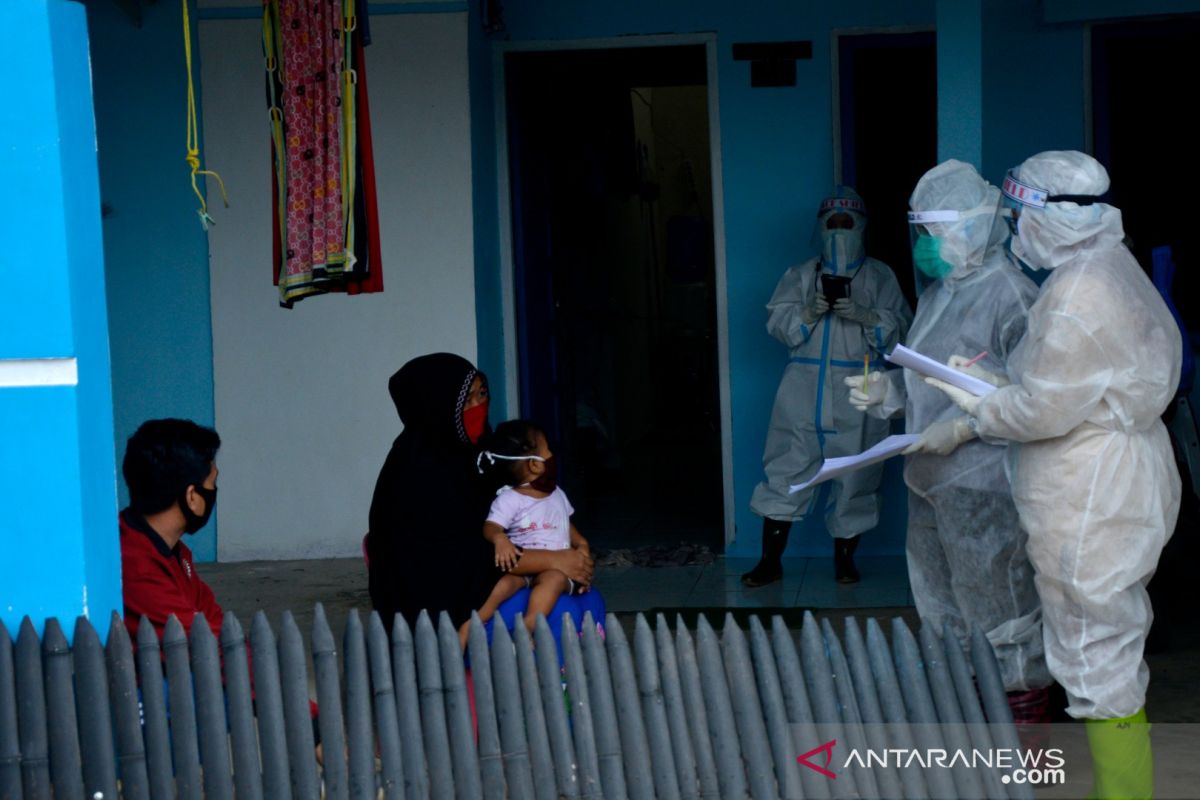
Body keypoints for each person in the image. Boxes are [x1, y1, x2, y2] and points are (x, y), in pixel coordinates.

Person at [926, 151, 1181, 799]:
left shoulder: (1074, 293)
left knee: (1095, 650)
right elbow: (1076, 382)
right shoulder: (1109, 266)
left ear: (1046, 218)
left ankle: (1123, 793)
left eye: (1017, 219)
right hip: (1121, 467)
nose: (1014, 233)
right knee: (1106, 637)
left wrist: (979, 404)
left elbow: (1041, 409)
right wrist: (999, 383)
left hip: (1090, 487)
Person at [845, 160, 1052, 720]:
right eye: (923, 232)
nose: (927, 245)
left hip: (987, 487)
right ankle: (974, 728)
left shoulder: (1013, 297)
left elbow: (1035, 397)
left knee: (1001, 614)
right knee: (945, 612)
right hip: (930, 481)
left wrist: (964, 427)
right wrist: (887, 391)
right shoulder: (941, 294)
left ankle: (1024, 741)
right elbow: (933, 375)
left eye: (939, 231)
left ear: (979, 224)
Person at [745, 186, 912, 586]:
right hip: (802, 393)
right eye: (831, 223)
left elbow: (898, 335)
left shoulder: (879, 276)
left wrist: (866, 316)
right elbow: (780, 327)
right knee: (786, 472)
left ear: (862, 225)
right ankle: (770, 562)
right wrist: (807, 312)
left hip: (858, 390)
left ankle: (844, 562)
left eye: (847, 223)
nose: (839, 230)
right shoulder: (801, 276)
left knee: (856, 479)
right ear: (820, 227)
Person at [367, 353, 594, 635]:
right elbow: (454, 557)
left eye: (482, 394)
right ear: (435, 406)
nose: (478, 406)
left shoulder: (484, 455)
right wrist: (553, 560)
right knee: (551, 603)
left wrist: (569, 552)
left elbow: (524, 509)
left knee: (566, 595)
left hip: (500, 565)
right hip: (435, 593)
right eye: (467, 400)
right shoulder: (414, 473)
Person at [470, 420, 592, 645]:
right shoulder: (509, 498)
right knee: (503, 585)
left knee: (552, 580)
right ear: (535, 465)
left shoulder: (557, 494)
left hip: (557, 571)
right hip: (524, 570)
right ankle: (471, 626)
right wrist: (500, 538)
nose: (552, 455)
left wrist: (582, 544)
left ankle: (528, 626)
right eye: (547, 450)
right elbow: (491, 526)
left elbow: (564, 523)